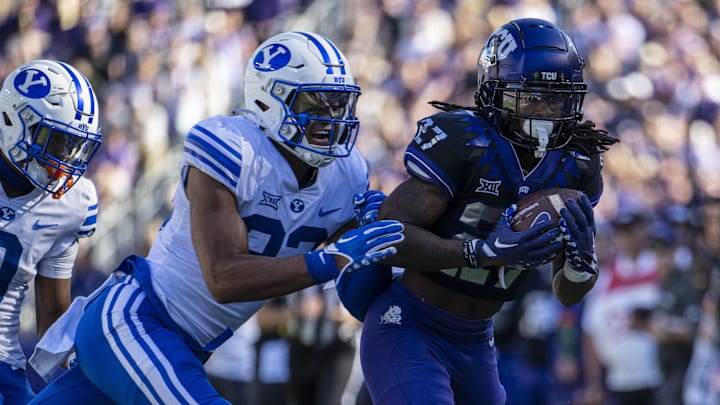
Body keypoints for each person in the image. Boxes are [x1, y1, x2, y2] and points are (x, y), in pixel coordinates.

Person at [28, 31, 404, 404]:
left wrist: (377, 237)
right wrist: (333, 259)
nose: (330, 120)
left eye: (338, 106)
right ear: (268, 100)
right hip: (138, 319)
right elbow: (223, 278)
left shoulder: (347, 174)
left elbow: (358, 284)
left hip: (181, 346)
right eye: (315, 105)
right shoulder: (232, 147)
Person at [356, 18, 619, 405]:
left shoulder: (576, 164)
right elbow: (386, 236)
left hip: (478, 340)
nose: (545, 112)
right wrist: (480, 252)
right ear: (494, 92)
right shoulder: (467, 142)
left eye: (556, 98)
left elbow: (567, 295)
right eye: (531, 96)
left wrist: (581, 265)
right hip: (412, 325)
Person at [0, 59, 102, 404]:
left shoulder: (71, 204)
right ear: (15, 121)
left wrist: (94, 359)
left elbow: (53, 319)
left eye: (73, 146)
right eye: (56, 142)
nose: (64, 160)